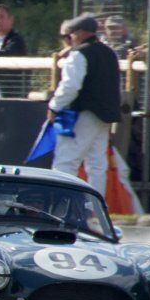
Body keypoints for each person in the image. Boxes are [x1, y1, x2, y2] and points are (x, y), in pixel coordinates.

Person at [45, 14, 120, 192]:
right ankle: (94, 209)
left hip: (83, 114)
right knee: (97, 164)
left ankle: (62, 205)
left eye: (69, 35)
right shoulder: (109, 53)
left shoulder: (79, 54)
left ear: (79, 33)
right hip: (104, 116)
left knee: (66, 160)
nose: (69, 39)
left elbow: (70, 87)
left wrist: (54, 106)